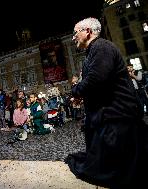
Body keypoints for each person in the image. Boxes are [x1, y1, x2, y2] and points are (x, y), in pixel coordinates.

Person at [65, 17, 148, 188]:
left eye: (75, 33)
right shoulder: (95, 50)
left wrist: (76, 92)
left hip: (118, 117)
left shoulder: (102, 47)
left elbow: (96, 79)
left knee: (110, 170)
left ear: (87, 31)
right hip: (109, 115)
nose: (73, 38)